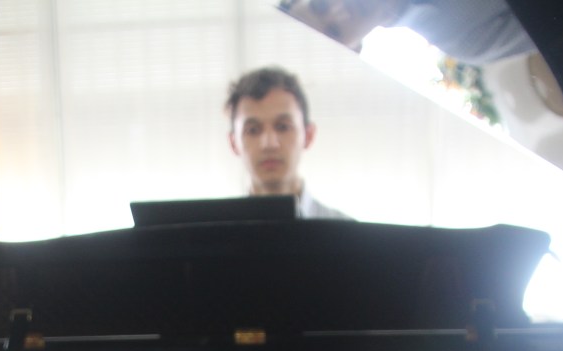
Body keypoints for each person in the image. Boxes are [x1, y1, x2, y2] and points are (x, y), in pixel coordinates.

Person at [225, 66, 349, 219]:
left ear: (308, 135)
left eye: (283, 127)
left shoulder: (349, 236)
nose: (269, 144)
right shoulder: (214, 239)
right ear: (233, 143)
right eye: (253, 130)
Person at [279, 0, 535, 66]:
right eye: (333, 32)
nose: (338, 11)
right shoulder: (465, 39)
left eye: (319, 4)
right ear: (353, 49)